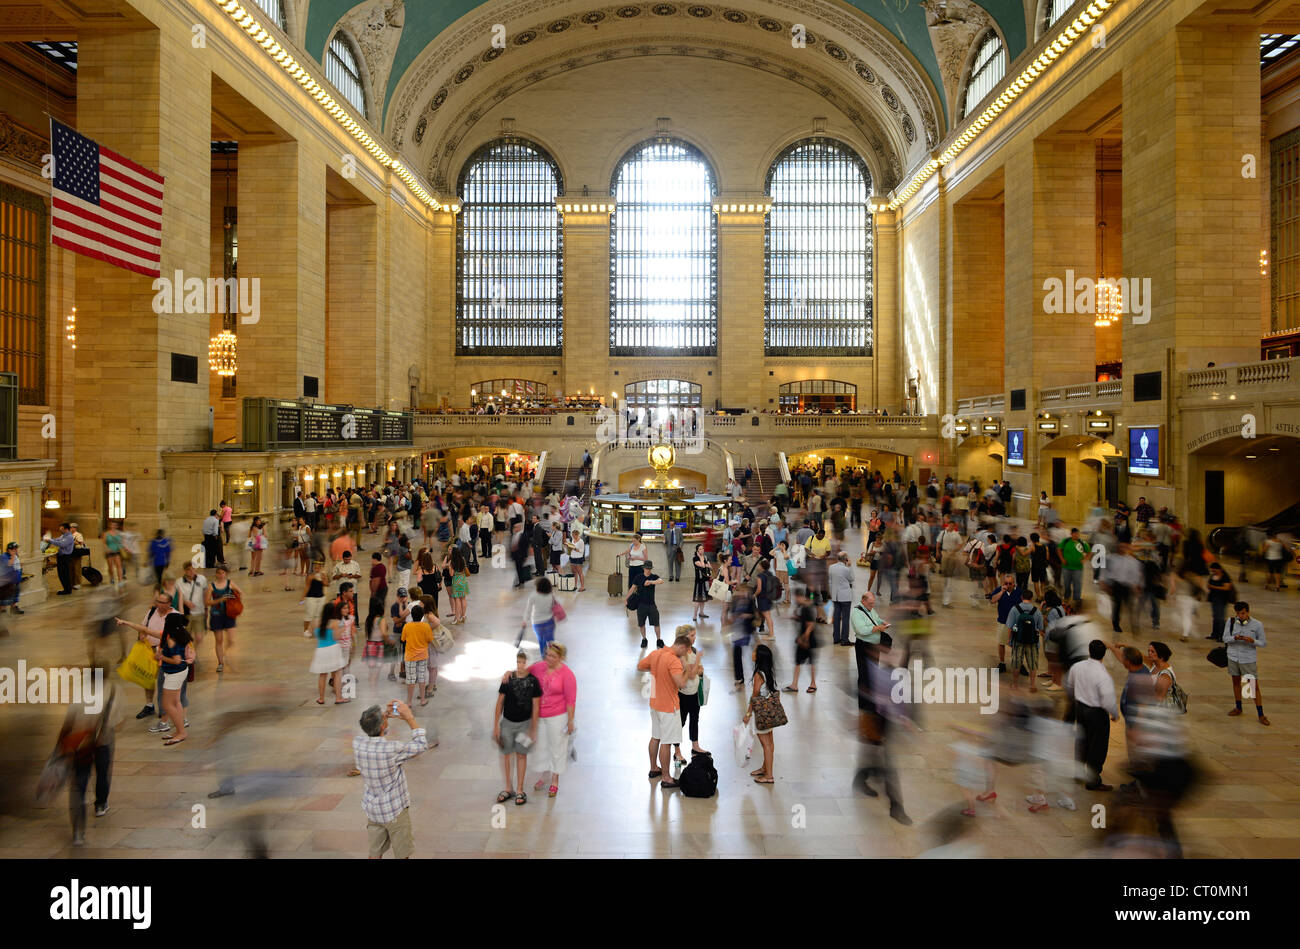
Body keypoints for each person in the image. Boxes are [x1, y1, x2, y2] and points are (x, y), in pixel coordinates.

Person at [353, 701, 432, 859]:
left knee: (375, 853)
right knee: (402, 853)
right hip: (394, 811)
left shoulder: (358, 744)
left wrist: (384, 718)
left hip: (373, 811)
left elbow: (376, 733)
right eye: (384, 719)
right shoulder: (392, 749)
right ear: (383, 726)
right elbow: (421, 745)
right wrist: (409, 718)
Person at [58, 675, 124, 845]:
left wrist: (62, 747)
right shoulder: (112, 694)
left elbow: (67, 724)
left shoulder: (79, 697)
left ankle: (78, 832)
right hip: (103, 742)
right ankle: (101, 804)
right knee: (102, 774)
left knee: (79, 785)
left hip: (81, 746)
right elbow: (118, 722)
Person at [637, 634, 693, 789]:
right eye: (687, 651)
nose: (687, 654)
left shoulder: (657, 653)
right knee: (666, 742)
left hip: (654, 703)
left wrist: (657, 672)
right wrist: (687, 670)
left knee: (655, 737)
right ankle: (667, 778)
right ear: (682, 647)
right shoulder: (673, 660)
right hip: (669, 707)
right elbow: (681, 683)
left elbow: (641, 665)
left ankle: (654, 768)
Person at [1066, 639, 1120, 791]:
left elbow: (1069, 684)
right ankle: (1092, 780)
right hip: (1096, 713)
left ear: (1089, 651)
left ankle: (1078, 771)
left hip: (1080, 708)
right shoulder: (1103, 675)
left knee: (1082, 740)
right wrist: (1115, 714)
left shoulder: (1077, 666)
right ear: (1103, 655)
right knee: (1097, 746)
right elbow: (1108, 700)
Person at [494, 650, 542, 806]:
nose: (520, 665)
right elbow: (500, 703)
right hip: (507, 723)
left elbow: (536, 706)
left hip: (525, 724)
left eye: (523, 662)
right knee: (506, 755)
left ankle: (520, 789)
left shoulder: (534, 682)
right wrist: (496, 725)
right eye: (518, 662)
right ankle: (508, 787)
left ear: (529, 663)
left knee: (521, 755)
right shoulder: (508, 679)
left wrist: (533, 729)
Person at [529, 642, 577, 798]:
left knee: (557, 747)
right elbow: (523, 672)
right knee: (542, 746)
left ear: (561, 658)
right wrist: (510, 672)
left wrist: (570, 721)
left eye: (553, 656)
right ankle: (544, 775)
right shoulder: (539, 667)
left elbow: (571, 700)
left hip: (558, 715)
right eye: (547, 655)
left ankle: (555, 780)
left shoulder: (567, 674)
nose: (548, 658)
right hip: (540, 714)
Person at [1223, 601, 1269, 726]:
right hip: (1233, 657)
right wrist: (1235, 638)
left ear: (1248, 612)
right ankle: (1238, 707)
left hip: (1248, 659)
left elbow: (1263, 643)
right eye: (1238, 613)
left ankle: (1261, 714)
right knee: (1236, 682)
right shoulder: (1231, 621)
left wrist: (1252, 640)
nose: (1240, 616)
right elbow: (1225, 638)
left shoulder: (1257, 624)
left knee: (1253, 687)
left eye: (1242, 613)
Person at [741, 644, 781, 785]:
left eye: (754, 651)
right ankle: (765, 768)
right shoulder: (767, 671)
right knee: (769, 741)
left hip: (761, 713)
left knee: (766, 745)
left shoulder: (759, 674)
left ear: (759, 656)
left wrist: (748, 713)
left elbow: (755, 695)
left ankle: (769, 776)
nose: (752, 653)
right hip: (769, 712)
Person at [670, 624, 708, 766]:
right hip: (683, 693)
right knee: (680, 721)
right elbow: (691, 674)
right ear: (683, 638)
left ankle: (695, 745)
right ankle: (677, 750)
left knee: (694, 719)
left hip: (694, 691)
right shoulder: (681, 654)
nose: (694, 638)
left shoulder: (692, 650)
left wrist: (696, 667)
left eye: (694, 635)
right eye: (692, 635)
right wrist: (697, 660)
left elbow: (700, 669)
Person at [156, 612, 195, 745]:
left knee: (167, 705)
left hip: (174, 673)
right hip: (180, 672)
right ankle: (180, 730)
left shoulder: (172, 639)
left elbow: (177, 660)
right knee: (176, 702)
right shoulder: (181, 634)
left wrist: (161, 657)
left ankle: (182, 733)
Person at [205, 565, 241, 674]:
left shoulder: (230, 583)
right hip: (216, 615)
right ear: (216, 574)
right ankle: (220, 663)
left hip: (229, 615)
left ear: (226, 574)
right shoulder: (211, 587)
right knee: (219, 640)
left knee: (231, 640)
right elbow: (207, 602)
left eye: (223, 573)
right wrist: (221, 599)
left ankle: (224, 653)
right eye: (219, 573)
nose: (221, 575)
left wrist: (234, 600)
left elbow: (240, 593)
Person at [311, 600, 348, 705]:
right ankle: (338, 698)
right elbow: (336, 637)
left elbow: (311, 633)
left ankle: (321, 698)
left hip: (320, 650)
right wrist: (343, 629)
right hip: (333, 649)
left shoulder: (315, 622)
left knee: (322, 674)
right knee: (337, 673)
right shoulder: (334, 623)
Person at [1005, 590, 1043, 693]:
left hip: (1018, 640)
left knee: (1017, 663)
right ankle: (1032, 685)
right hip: (1032, 642)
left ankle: (1015, 684)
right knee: (1032, 664)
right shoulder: (1037, 611)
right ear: (1031, 598)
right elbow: (1040, 628)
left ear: (1021, 597)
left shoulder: (1014, 609)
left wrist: (1009, 640)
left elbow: (1009, 626)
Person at [400, 603, 435, 707]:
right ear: (422, 615)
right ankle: (423, 700)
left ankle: (409, 702)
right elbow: (429, 640)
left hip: (410, 656)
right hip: (423, 655)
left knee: (410, 678)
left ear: (411, 615)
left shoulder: (407, 626)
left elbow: (403, 639)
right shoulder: (426, 626)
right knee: (421, 677)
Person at [988, 573, 1022, 674]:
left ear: (1014, 584)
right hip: (1003, 622)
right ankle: (1002, 663)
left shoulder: (1019, 592)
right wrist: (1002, 592)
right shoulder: (999, 590)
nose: (1008, 585)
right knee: (1001, 642)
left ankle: (1019, 663)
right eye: (1006, 583)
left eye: (1010, 584)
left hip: (1016, 623)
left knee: (1017, 644)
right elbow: (992, 600)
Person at [786, 587, 818, 692]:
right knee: (799, 661)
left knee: (811, 662)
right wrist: (794, 617)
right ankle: (795, 684)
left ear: (799, 596)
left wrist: (804, 639)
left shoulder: (807, 608)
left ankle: (812, 684)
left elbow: (810, 625)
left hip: (807, 640)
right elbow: (804, 620)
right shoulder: (802, 606)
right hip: (803, 638)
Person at [631, 559, 665, 649]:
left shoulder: (653, 576)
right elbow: (632, 588)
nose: (648, 570)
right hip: (641, 605)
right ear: (643, 568)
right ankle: (644, 639)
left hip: (651, 604)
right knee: (641, 624)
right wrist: (626, 599)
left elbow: (661, 581)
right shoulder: (638, 577)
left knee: (656, 623)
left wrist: (650, 582)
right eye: (646, 568)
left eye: (649, 568)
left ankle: (659, 640)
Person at [522, 576, 559, 653]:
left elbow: (528, 610)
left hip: (537, 623)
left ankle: (544, 659)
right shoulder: (551, 595)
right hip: (549, 621)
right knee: (551, 641)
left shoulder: (533, 595)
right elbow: (554, 606)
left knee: (541, 641)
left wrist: (525, 620)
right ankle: (553, 657)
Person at [1058, 528, 1090, 610]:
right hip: (1066, 567)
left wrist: (1084, 559)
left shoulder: (1082, 542)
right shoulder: (1065, 541)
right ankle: (1066, 597)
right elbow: (1059, 549)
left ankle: (1077, 599)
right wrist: (1062, 559)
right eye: (1075, 534)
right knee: (1066, 583)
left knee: (1077, 584)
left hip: (1078, 568)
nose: (1077, 535)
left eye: (1078, 534)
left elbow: (1089, 552)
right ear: (1071, 534)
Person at [828, 550, 854, 645]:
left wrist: (831, 593)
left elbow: (830, 581)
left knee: (836, 617)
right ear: (845, 559)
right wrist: (850, 566)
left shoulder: (831, 567)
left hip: (835, 596)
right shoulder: (846, 569)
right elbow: (852, 579)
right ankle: (844, 640)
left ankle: (836, 638)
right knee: (845, 618)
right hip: (845, 597)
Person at [691, 545, 712, 622]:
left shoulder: (706, 557)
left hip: (705, 580)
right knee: (697, 599)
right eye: (700, 549)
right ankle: (694, 615)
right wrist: (701, 559)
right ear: (697, 551)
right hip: (699, 581)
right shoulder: (695, 558)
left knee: (704, 598)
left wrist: (706, 564)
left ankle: (701, 613)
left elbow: (710, 567)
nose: (702, 550)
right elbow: (703, 566)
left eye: (703, 548)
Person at [565, 528, 588, 592]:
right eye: (572, 535)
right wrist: (569, 546)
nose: (573, 537)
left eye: (574, 535)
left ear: (577, 535)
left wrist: (574, 548)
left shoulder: (581, 541)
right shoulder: (573, 540)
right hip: (572, 557)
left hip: (578, 558)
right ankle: (575, 586)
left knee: (580, 572)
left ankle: (582, 586)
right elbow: (572, 547)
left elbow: (582, 551)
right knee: (574, 572)